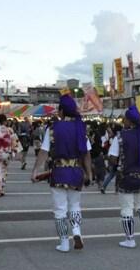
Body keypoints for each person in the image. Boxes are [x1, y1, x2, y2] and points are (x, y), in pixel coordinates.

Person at [32, 94, 94, 253]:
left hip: (59, 172)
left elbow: (44, 152)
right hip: (76, 172)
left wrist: (35, 170)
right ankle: (77, 232)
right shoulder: (81, 127)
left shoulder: (53, 128)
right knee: (75, 205)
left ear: (61, 111)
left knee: (60, 209)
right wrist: (89, 174)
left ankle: (64, 243)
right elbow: (86, 154)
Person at [109, 104, 140, 248]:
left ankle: (130, 239)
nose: (123, 121)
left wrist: (117, 162)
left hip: (126, 177)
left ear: (129, 121)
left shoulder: (120, 137)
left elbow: (112, 157)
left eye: (125, 119)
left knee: (127, 209)